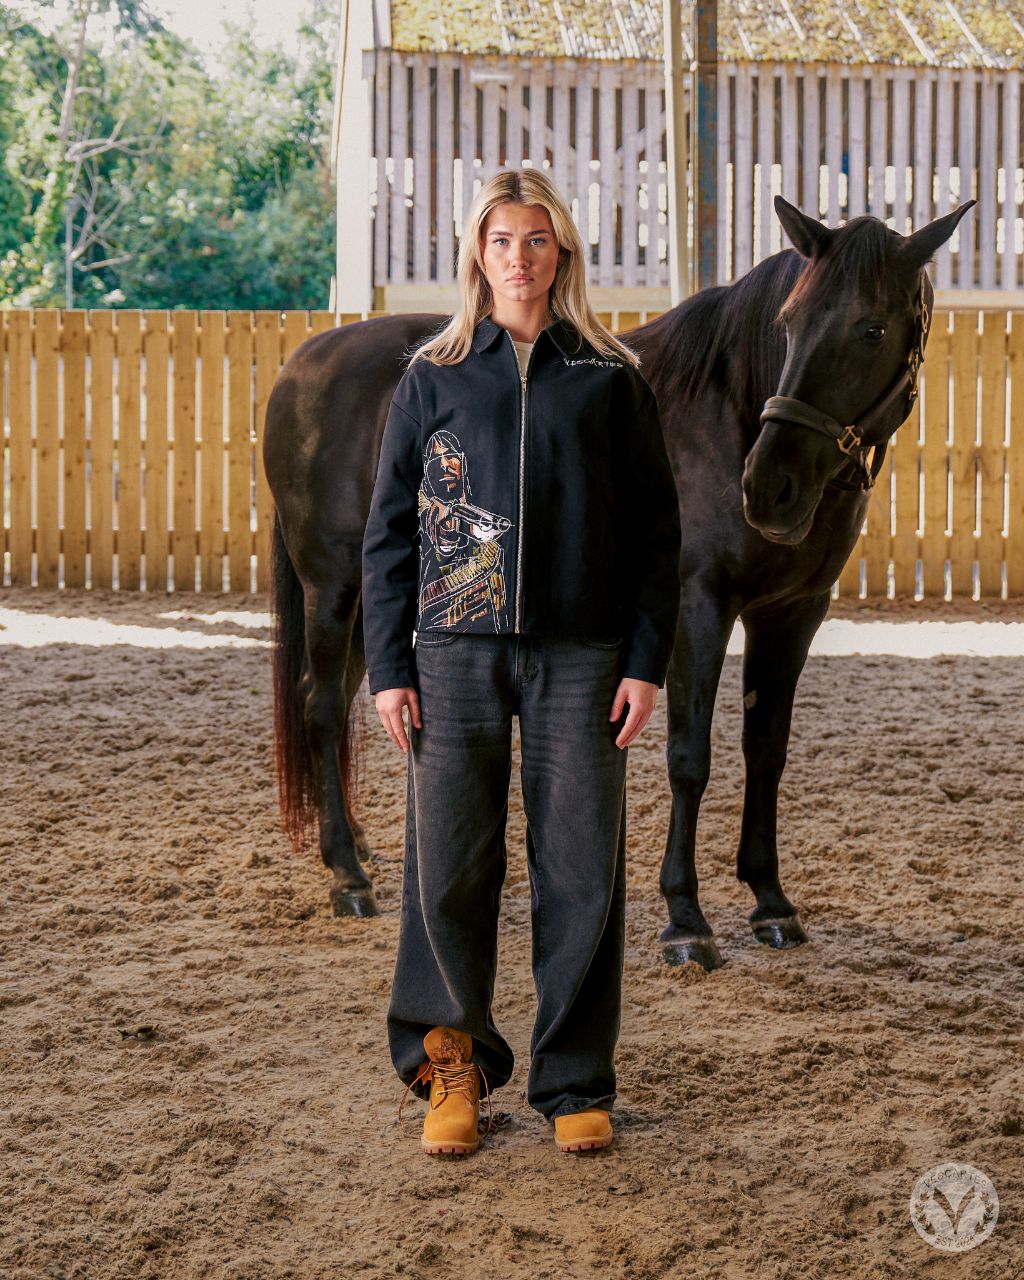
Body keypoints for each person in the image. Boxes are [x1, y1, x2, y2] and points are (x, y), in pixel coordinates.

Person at [361, 167, 681, 1157]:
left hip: (581, 655)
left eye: (537, 239)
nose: (519, 257)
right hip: (452, 653)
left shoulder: (610, 377)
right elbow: (388, 534)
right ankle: (451, 1067)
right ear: (477, 252)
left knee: (578, 867)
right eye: (501, 239)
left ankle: (574, 1077)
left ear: (562, 251)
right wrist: (388, 667)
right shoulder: (434, 375)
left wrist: (645, 661)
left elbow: (657, 534)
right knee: (449, 865)